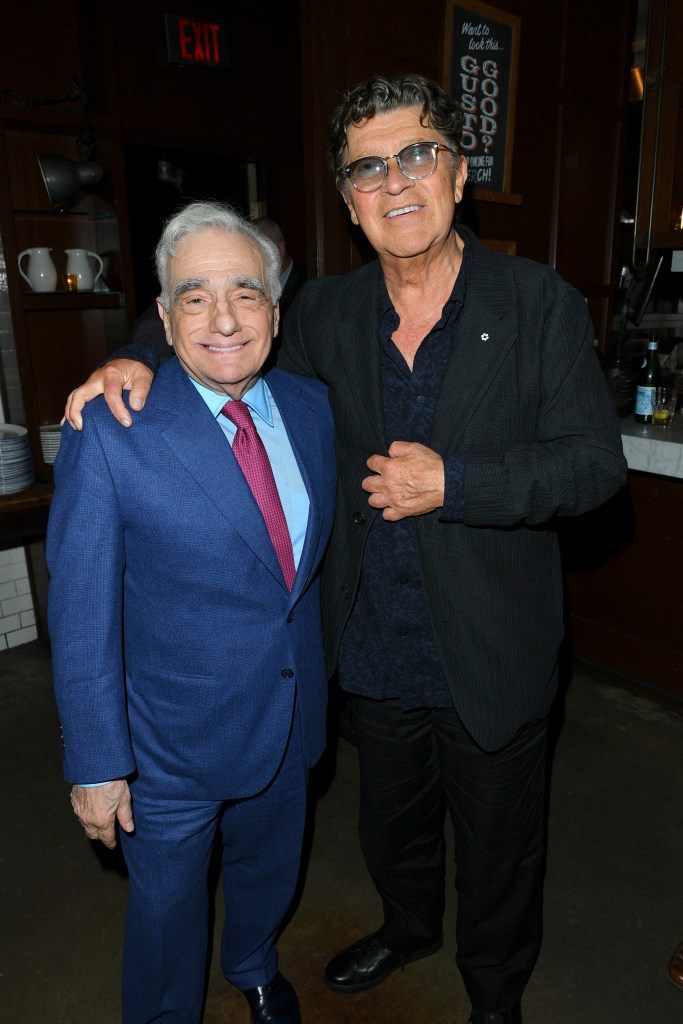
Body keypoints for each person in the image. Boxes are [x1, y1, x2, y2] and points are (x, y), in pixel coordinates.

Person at [62, 74, 628, 1024]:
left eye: (417, 154)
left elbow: (592, 468)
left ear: (457, 170)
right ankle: (407, 926)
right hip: (364, 647)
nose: (396, 182)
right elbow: (223, 319)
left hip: (490, 645)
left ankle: (494, 994)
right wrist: (136, 357)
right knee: (390, 822)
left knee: (498, 844)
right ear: (346, 196)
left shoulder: (539, 305)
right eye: (369, 167)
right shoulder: (324, 310)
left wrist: (458, 484)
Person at [48, 201, 336, 1024]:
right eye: (194, 295)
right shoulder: (111, 429)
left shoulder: (311, 408)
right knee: (166, 920)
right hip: (164, 746)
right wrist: (98, 764)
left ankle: (251, 964)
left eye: (245, 293)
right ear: (164, 318)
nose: (222, 317)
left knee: (268, 871)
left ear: (275, 314)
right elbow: (79, 610)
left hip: (288, 715)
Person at [125, 217, 306, 366]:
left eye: (245, 297)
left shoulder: (323, 405)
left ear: (275, 314)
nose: (226, 324)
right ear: (166, 318)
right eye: (196, 300)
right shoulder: (127, 407)